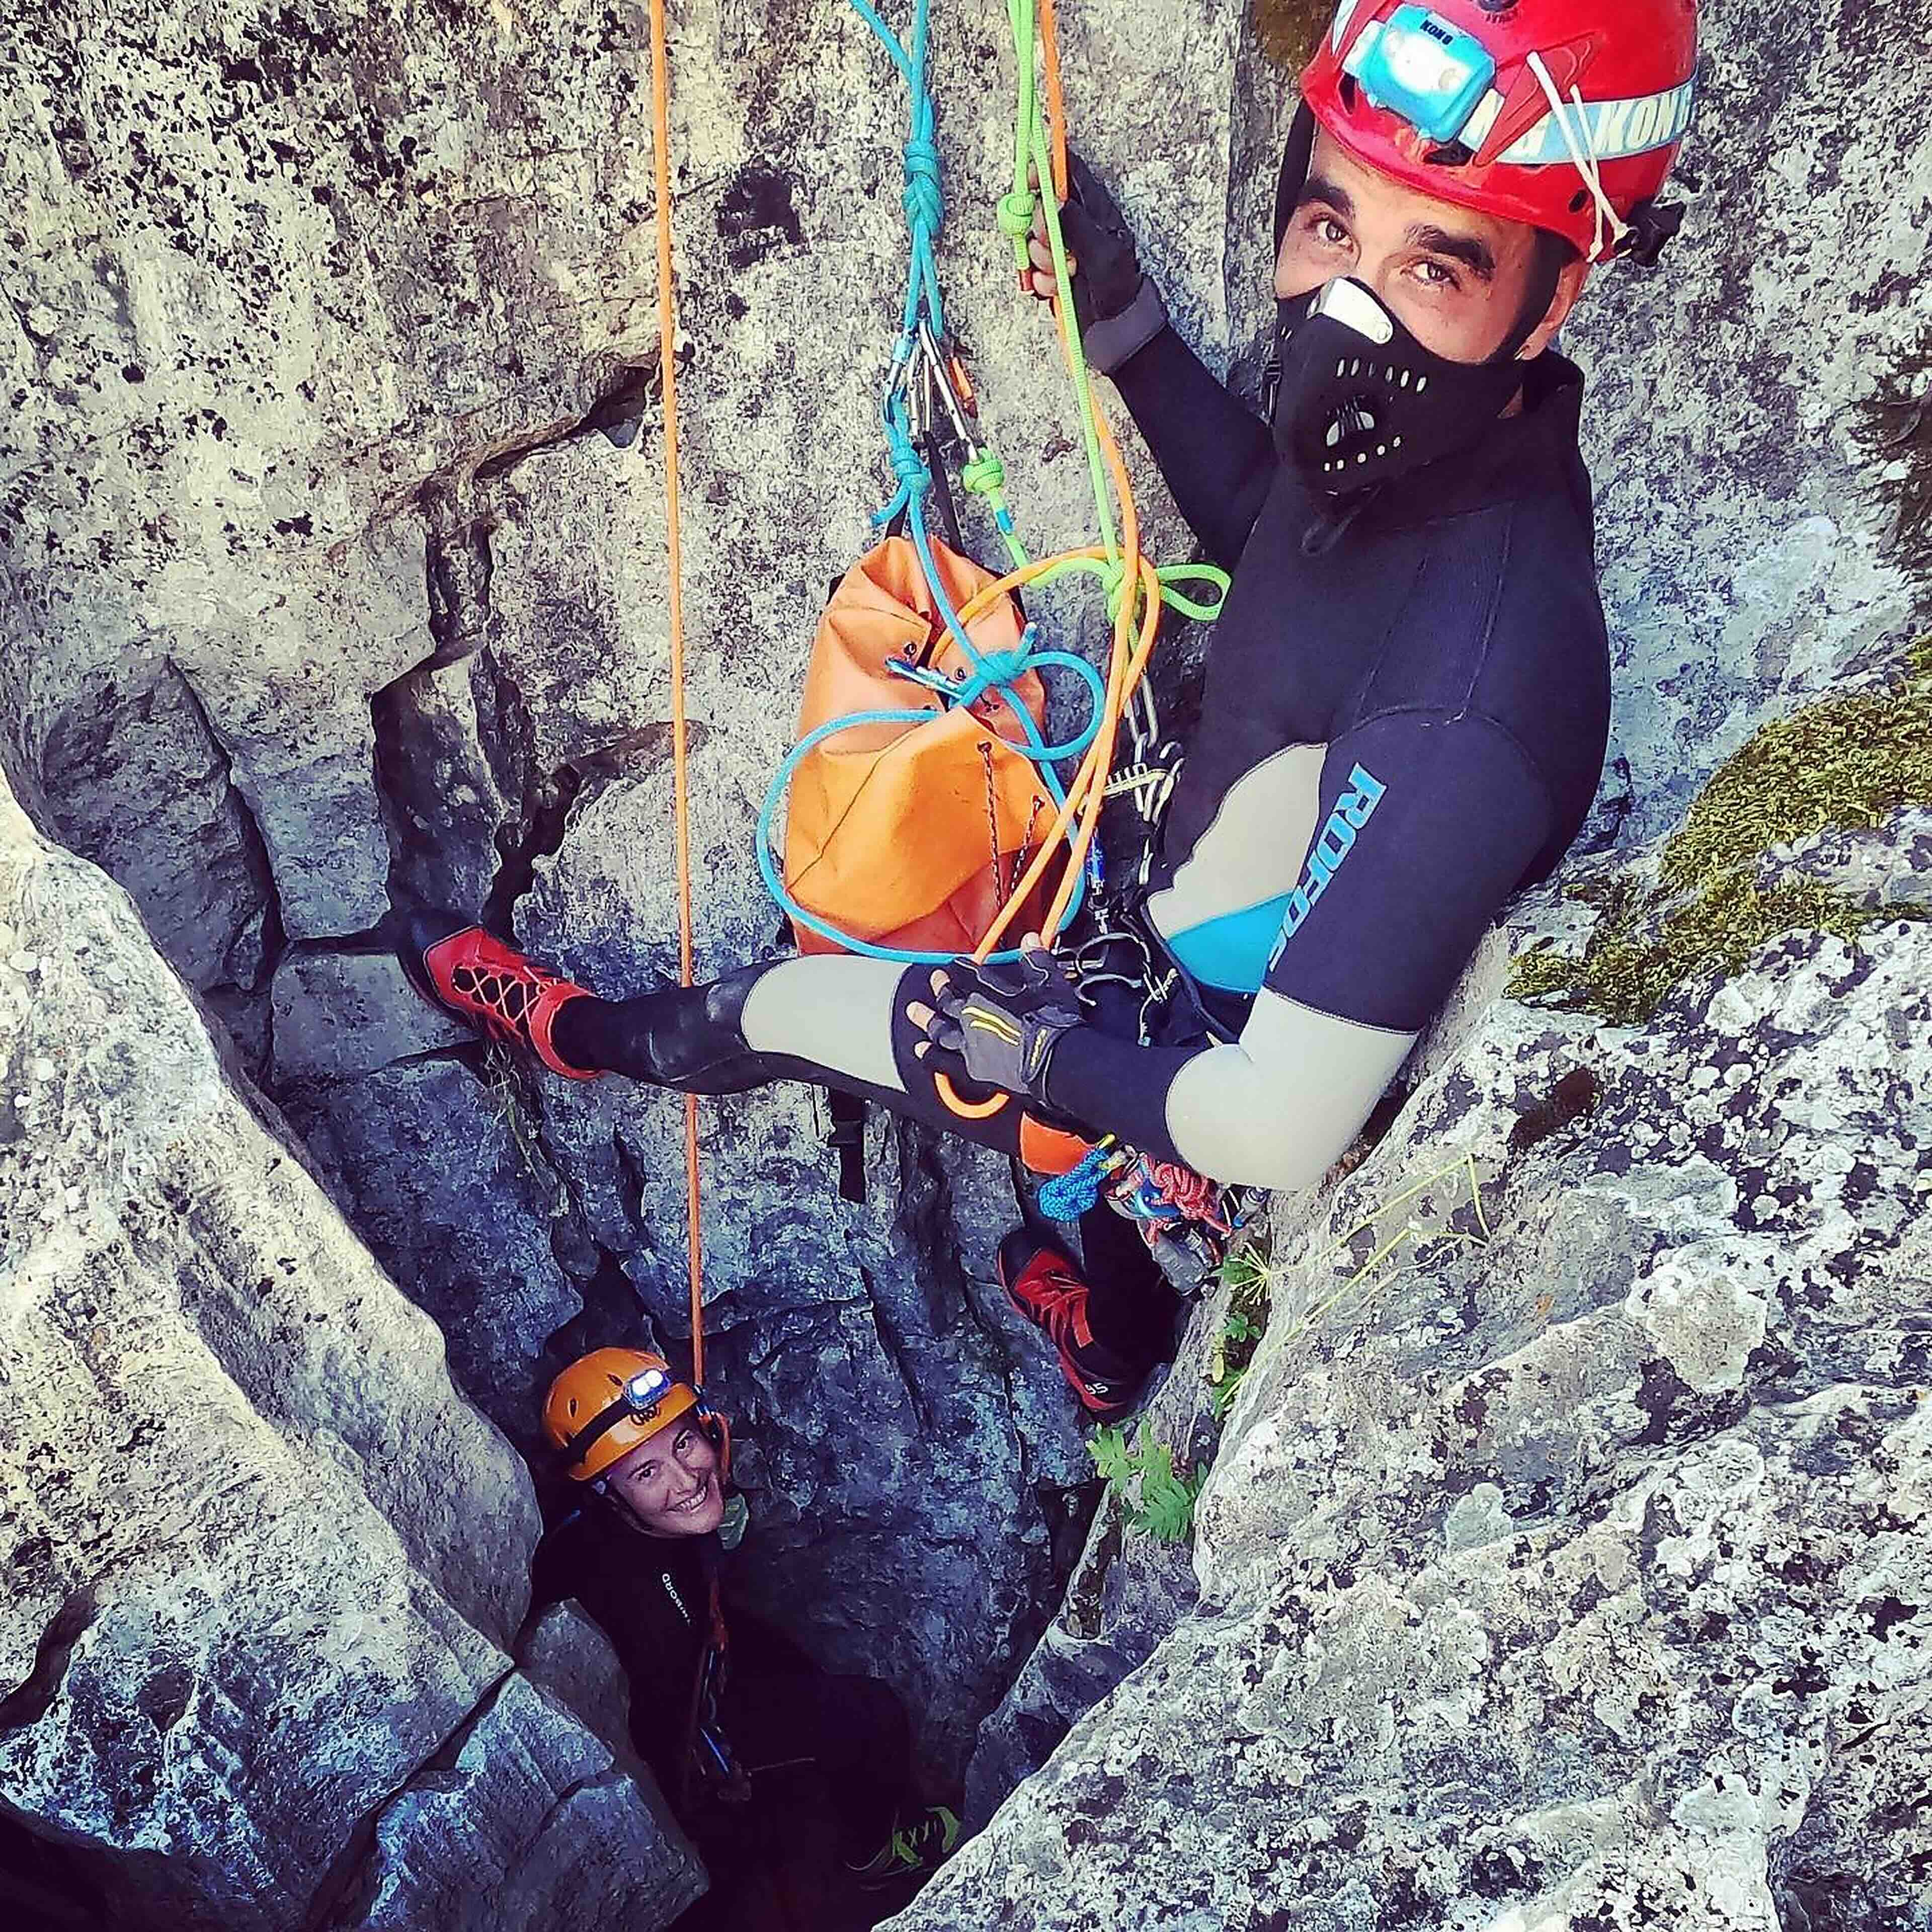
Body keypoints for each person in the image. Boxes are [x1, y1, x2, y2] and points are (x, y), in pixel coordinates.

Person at [398, 1, 1699, 1422]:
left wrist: (1033, 1052)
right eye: (1331, 226)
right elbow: (1283, 546)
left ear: (1553, 299)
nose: (1348, 313)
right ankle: (1112, 1350)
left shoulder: (1481, 691)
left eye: (1433, 265)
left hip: (1180, 1058)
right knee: (1096, 1225)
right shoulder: (1440, 459)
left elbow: (1272, 1119)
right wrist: (1128, 329)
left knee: (780, 1007)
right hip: (1153, 977)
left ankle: (574, 1030)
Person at [529, 1348, 958, 1926]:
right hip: (686, 1718)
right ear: (608, 1493)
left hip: (706, 1643)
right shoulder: (637, 1599)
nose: (686, 1479)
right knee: (870, 1718)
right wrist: (716, 1766)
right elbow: (667, 1718)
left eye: (684, 1443)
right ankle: (873, 1854)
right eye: (647, 1473)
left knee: (795, 1663)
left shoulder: (620, 1526)